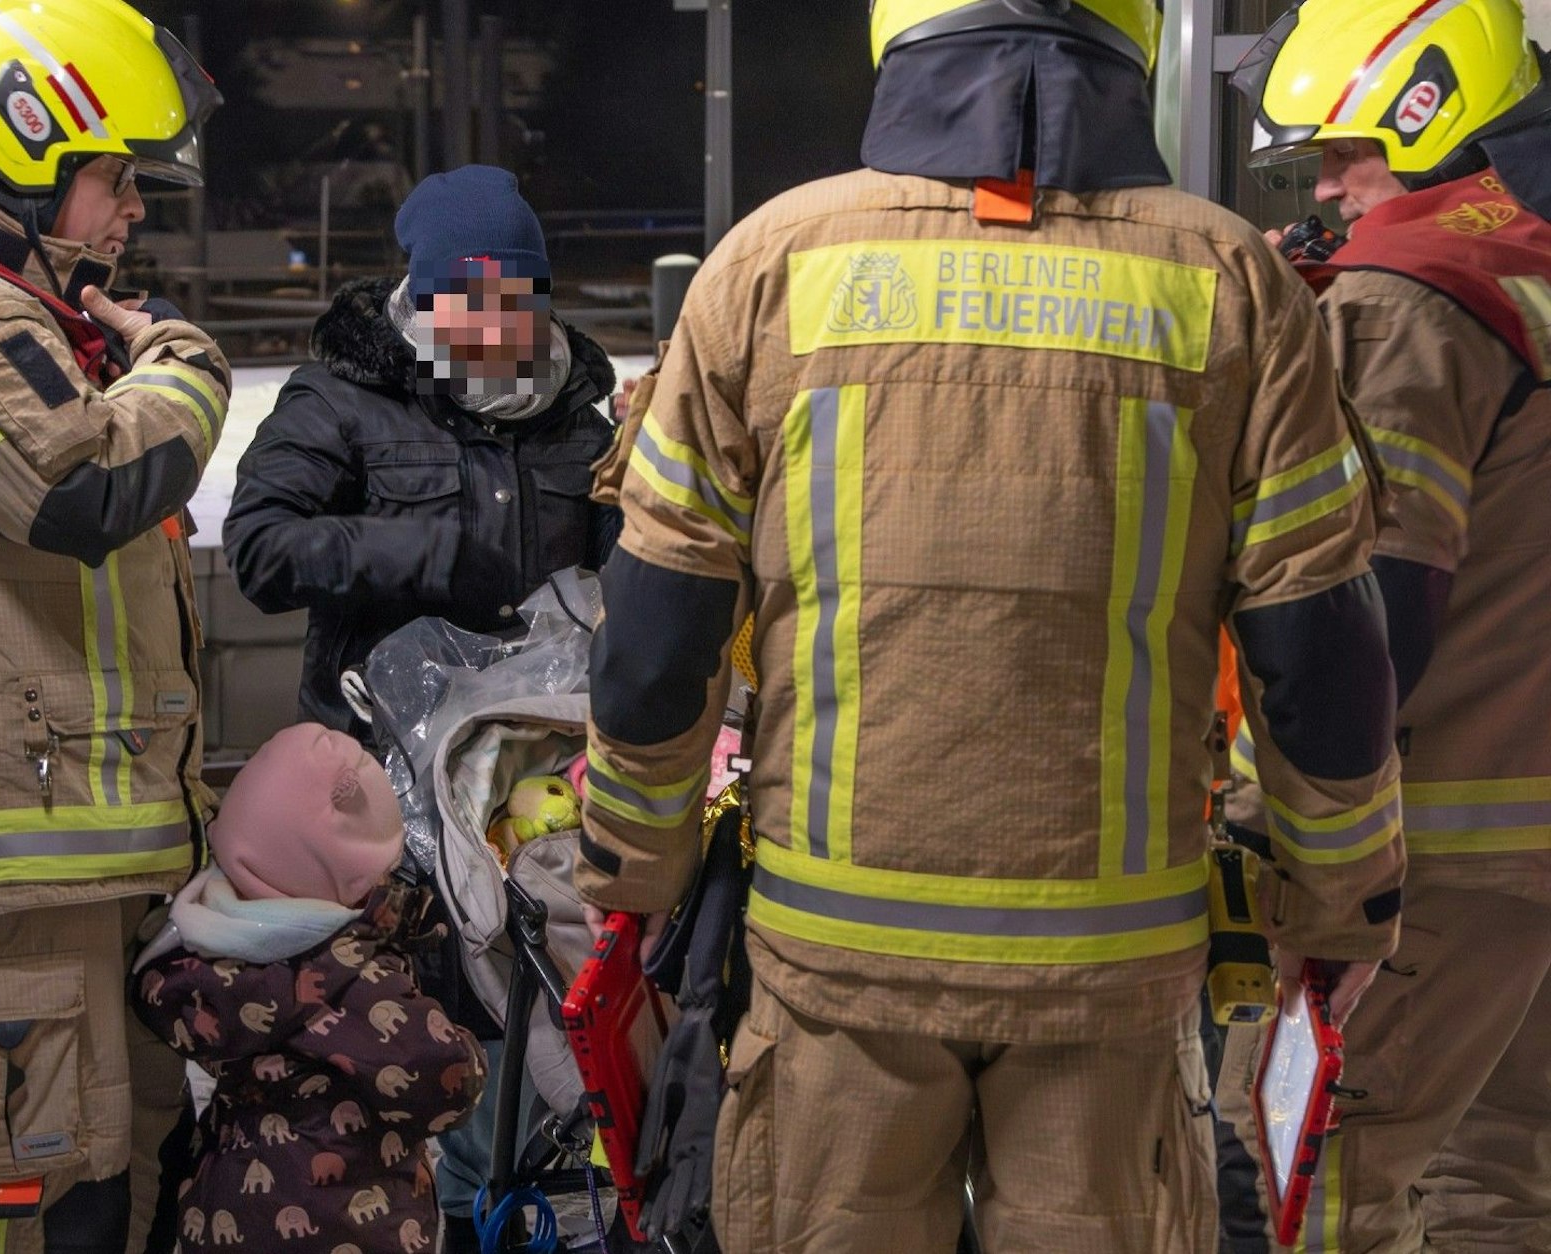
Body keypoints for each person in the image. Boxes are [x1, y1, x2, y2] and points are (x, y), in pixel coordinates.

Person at [574, 2, 1407, 1250]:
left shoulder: (768, 264)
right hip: (1109, 966)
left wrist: (629, 877)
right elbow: (1319, 658)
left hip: (833, 960)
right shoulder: (1231, 278)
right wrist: (1338, 913)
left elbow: (657, 634)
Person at [1216, 3, 1551, 1249]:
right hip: (1525, 850)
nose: (1326, 190)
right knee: (1498, 1187)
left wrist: (1278, 835)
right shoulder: (1519, 260)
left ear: (1424, 127)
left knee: (1320, 1182)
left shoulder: (1400, 301)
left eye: (1342, 158)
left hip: (1432, 865)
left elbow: (1365, 612)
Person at [0, 1, 227, 1249]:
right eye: (113, 180)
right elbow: (79, 485)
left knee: (114, 1181)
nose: (133, 210)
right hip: (8, 907)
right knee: (34, 1209)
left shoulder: (24, 320)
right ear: (22, 156)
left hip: (69, 887)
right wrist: (184, 360)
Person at [222, 164, 619, 741]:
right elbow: (260, 550)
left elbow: (629, 555)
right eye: (473, 301)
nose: (499, 324)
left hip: (534, 753)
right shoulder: (342, 397)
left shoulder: (575, 412)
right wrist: (424, 551)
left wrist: (653, 472)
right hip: (377, 757)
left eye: (518, 298)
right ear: (428, 304)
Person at [131, 724, 487, 1253]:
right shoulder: (358, 983)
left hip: (229, 1216)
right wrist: (470, 1051)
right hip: (352, 1226)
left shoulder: (196, 960)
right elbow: (443, 1085)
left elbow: (153, 996)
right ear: (353, 878)